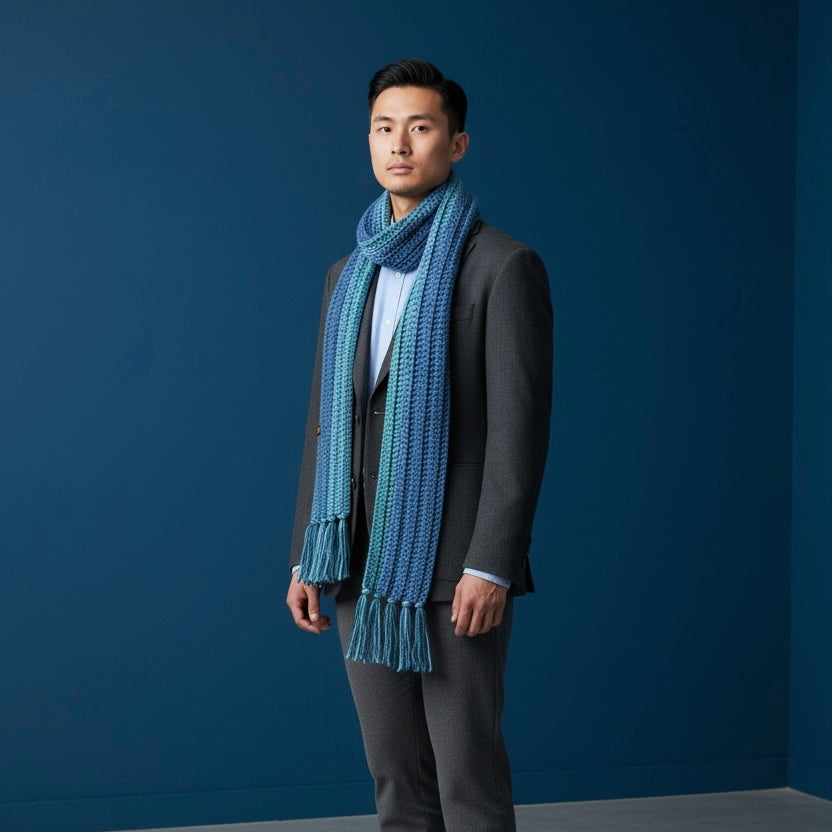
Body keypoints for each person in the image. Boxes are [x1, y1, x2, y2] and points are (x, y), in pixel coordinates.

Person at [286, 58, 553, 832]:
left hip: (456, 565)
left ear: (456, 144)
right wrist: (306, 553)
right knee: (395, 778)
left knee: (467, 777)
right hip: (356, 561)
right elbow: (326, 421)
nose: (399, 144)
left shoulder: (502, 266)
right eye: (384, 127)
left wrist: (492, 562)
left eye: (420, 127)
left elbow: (520, 430)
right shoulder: (347, 274)